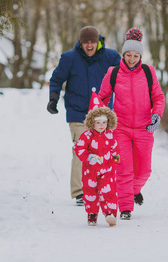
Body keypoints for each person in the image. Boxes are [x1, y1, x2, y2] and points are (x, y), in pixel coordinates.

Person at [47, 26, 120, 205]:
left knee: (103, 151)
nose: (89, 45)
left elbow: (124, 76)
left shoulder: (110, 57)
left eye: (92, 42)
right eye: (85, 42)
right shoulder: (69, 58)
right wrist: (53, 99)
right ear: (81, 42)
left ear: (98, 42)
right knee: (82, 149)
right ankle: (80, 192)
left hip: (102, 115)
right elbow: (56, 79)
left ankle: (102, 187)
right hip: (77, 112)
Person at [98, 28, 165, 220]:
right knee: (124, 169)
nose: (132, 59)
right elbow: (102, 98)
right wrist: (102, 119)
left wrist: (156, 115)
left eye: (136, 55)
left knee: (144, 171)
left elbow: (158, 97)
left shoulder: (148, 72)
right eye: (128, 55)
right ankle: (125, 208)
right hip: (121, 128)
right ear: (123, 54)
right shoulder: (113, 73)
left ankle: (134, 191)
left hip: (145, 128)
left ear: (140, 55)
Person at [74, 89, 119, 226]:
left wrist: (116, 157)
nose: (101, 126)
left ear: (108, 122)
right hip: (90, 171)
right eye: (98, 123)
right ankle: (92, 214)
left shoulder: (110, 135)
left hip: (107, 169)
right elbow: (79, 148)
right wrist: (88, 157)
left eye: (104, 122)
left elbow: (115, 148)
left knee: (108, 191)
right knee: (90, 193)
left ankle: (109, 213)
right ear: (92, 123)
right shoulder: (87, 136)